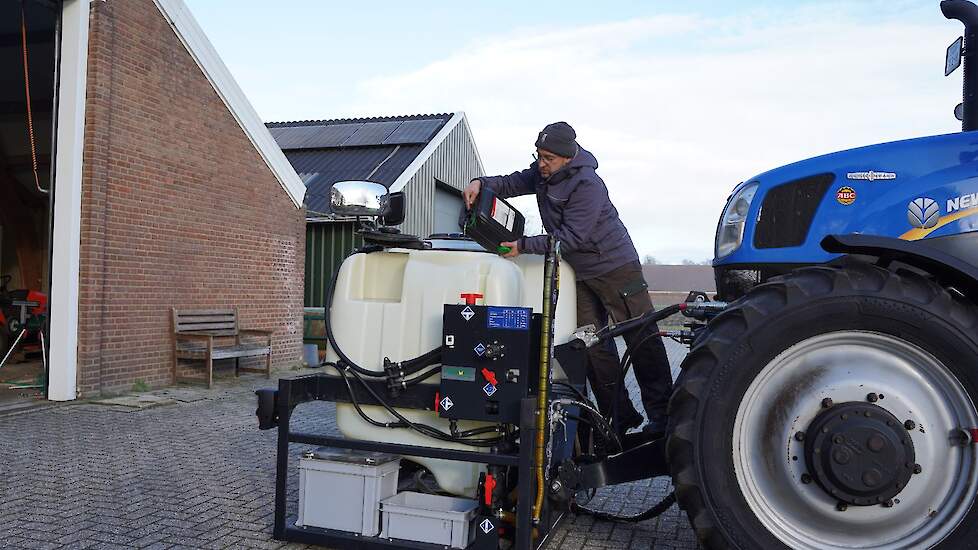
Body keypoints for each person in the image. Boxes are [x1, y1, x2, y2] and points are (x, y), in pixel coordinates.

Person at [463, 121, 673, 435]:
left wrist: (523, 246)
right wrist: (481, 182)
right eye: (538, 155)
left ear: (567, 157)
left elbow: (572, 237)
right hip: (580, 273)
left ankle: (664, 417)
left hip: (616, 268)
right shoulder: (542, 173)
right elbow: (510, 183)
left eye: (547, 158)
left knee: (641, 338)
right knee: (592, 345)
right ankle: (619, 417)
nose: (541, 163)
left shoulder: (588, 183)